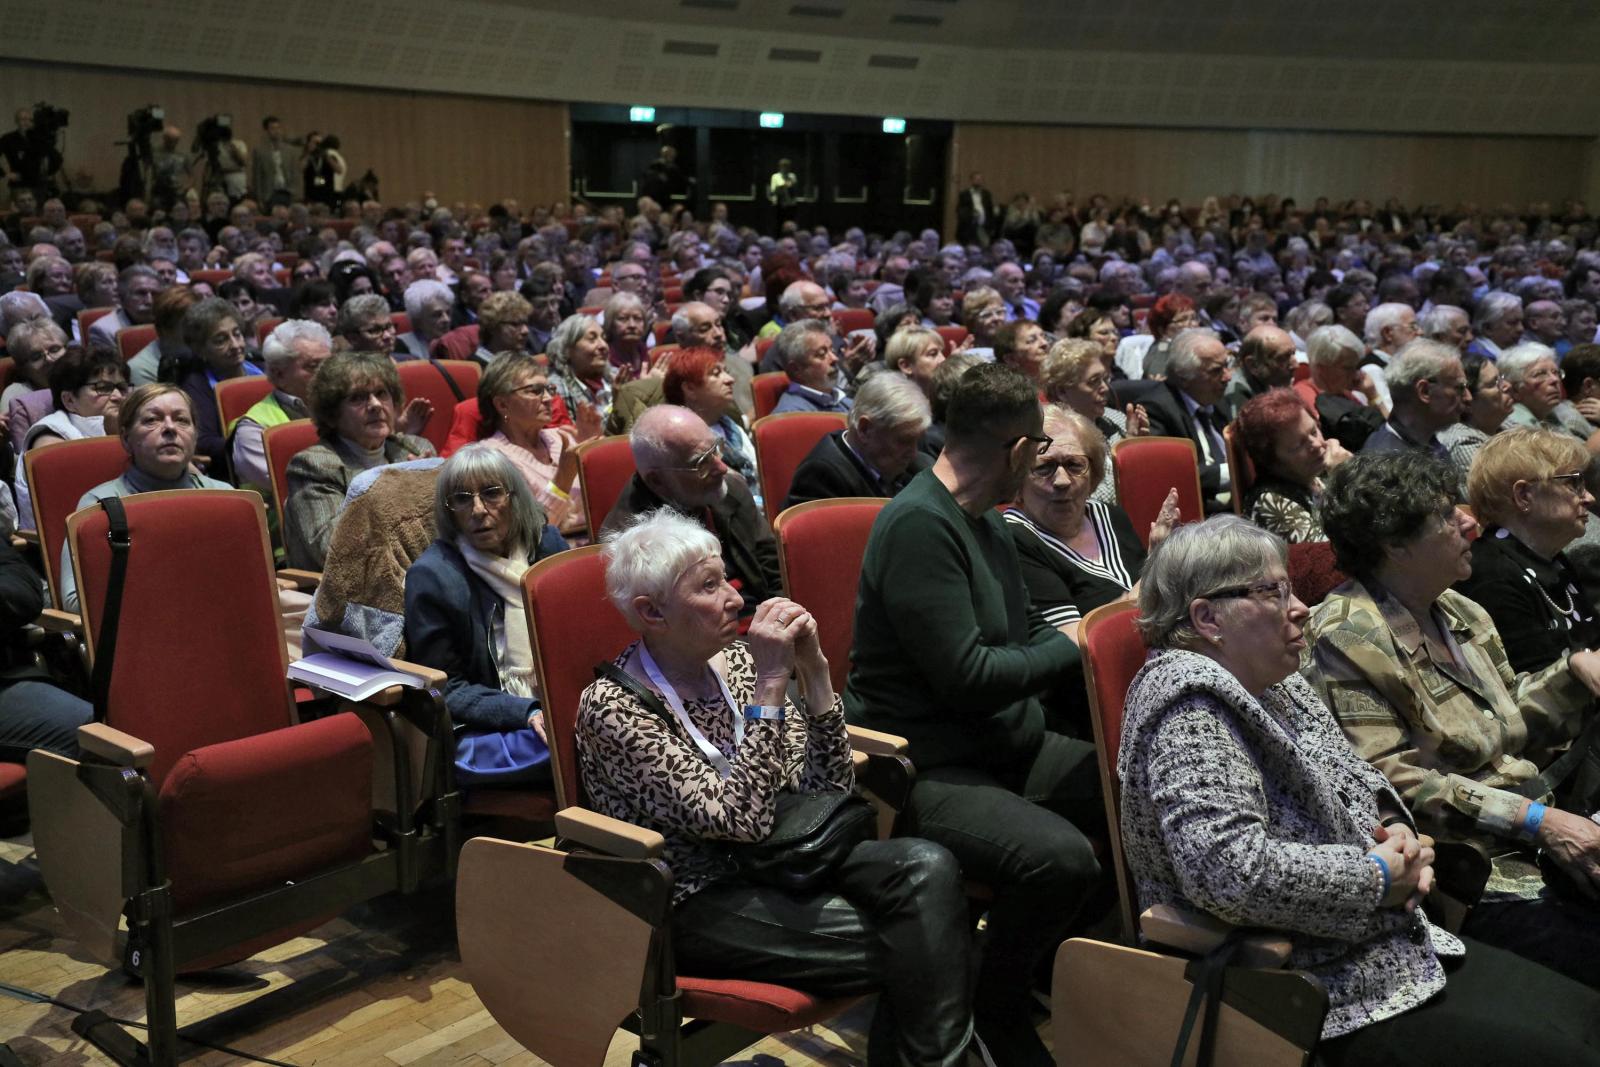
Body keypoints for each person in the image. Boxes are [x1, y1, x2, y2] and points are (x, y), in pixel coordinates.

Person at [1122, 514, 1600, 1064]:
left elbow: (1364, 775)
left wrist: (1397, 831)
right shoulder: (1189, 711)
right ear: (1208, 618)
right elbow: (1228, 872)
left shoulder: (1272, 678)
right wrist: (1375, 878)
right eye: (1274, 592)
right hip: (1306, 981)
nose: (1300, 606)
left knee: (1588, 1011)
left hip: (1381, 941)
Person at [579, 510, 976, 1067]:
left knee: (927, 865)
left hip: (786, 860)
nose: (735, 599)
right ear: (651, 612)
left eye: (727, 580)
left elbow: (827, 789)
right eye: (709, 586)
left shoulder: (736, 662)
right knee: (927, 945)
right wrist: (772, 683)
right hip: (696, 898)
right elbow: (738, 820)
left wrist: (812, 673)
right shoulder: (613, 709)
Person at [846, 362, 1104, 1067]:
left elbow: (1019, 638)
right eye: (1040, 452)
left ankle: (1065, 984)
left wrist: (1050, 646)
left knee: (1130, 789)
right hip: (924, 764)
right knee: (1059, 859)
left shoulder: (987, 522)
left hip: (1004, 743)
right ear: (1018, 451)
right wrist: (1072, 641)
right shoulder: (919, 526)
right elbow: (970, 677)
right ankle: (991, 998)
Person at [1308, 450, 1600, 988]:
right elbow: (1388, 784)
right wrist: (1537, 822)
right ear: (1394, 544)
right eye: (1445, 515)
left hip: (1539, 833)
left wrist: (1572, 673)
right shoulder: (1345, 636)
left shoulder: (1461, 610)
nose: (1468, 520)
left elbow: (1509, 724)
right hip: (1464, 871)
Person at [403, 445, 568, 787]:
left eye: (491, 493)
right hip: (490, 729)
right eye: (462, 499)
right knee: (578, 746)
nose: (478, 510)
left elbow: (579, 637)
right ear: (449, 511)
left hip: (561, 703)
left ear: (515, 497)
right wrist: (525, 711)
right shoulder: (434, 577)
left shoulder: (545, 545)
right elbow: (448, 688)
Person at [63, 384, 233, 613]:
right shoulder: (99, 507)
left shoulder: (225, 498)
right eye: (152, 420)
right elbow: (75, 601)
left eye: (182, 420)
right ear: (125, 439)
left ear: (195, 436)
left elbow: (253, 580)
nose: (170, 428)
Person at [601, 405, 781, 618]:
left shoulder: (729, 488)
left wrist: (782, 619)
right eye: (702, 463)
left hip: (763, 617)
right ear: (657, 481)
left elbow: (774, 568)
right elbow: (670, 632)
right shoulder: (629, 541)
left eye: (716, 449)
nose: (722, 467)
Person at [1456, 428, 1600, 675]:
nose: (1589, 497)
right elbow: (1538, 692)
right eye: (1573, 483)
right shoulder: (1491, 577)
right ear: (1523, 495)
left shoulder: (1551, 560)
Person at [283, 352, 435, 571]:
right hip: (354, 595)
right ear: (331, 413)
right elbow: (333, 551)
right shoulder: (313, 466)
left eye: (382, 393)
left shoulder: (416, 449)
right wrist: (399, 491)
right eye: (357, 398)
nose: (375, 405)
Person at [1119, 328, 1235, 511]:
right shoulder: (1155, 409)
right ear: (1183, 376)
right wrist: (1234, 471)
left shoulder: (1216, 397)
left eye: (1227, 365)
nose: (1228, 376)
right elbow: (1171, 474)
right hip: (1198, 515)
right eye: (1216, 371)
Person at [783, 372, 932, 510]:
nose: (913, 453)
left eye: (917, 440)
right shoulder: (820, 477)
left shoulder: (920, 466)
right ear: (865, 430)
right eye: (904, 441)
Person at [476, 352, 585, 533]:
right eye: (535, 391)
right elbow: (529, 532)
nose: (549, 399)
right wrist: (563, 478)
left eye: (549, 389)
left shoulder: (562, 437)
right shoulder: (492, 459)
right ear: (502, 405)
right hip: (550, 557)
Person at [1039, 337, 1149, 504]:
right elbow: (1090, 500)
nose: (1105, 388)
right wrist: (1128, 455)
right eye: (1094, 382)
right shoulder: (1052, 439)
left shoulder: (1118, 420)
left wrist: (1143, 448)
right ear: (1062, 391)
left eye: (1105, 379)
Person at [1235, 387, 1351, 542]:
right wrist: (1345, 479)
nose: (1317, 445)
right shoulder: (1269, 501)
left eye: (1314, 431)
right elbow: (1329, 553)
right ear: (1272, 461)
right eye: (1298, 445)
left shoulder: (1316, 474)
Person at [230, 319, 329, 494]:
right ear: (279, 374)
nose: (328, 373)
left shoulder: (345, 407)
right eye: (313, 366)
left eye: (329, 363)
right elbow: (297, 488)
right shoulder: (253, 429)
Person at [173, 297, 262, 477]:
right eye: (221, 340)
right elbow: (204, 442)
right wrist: (255, 443)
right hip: (233, 472)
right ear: (200, 350)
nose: (236, 345)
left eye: (237, 334)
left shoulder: (262, 368)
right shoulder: (195, 386)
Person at [662, 346, 757, 487]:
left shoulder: (732, 427)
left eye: (726, 372)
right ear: (690, 389)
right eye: (716, 373)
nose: (730, 379)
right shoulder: (682, 442)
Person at [1360, 339, 1467, 459]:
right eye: (1459, 387)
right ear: (1424, 391)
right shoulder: (1386, 463)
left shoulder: (1427, 443)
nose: (1468, 397)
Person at [1439, 350, 1514, 489]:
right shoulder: (1463, 442)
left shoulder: (1506, 424)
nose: (1507, 385)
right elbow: (1500, 496)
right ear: (1468, 401)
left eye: (1501, 378)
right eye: (1494, 383)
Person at [1501, 342, 1592, 442]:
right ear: (1515, 390)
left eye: (1555, 372)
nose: (1555, 380)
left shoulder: (1554, 413)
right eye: (1540, 374)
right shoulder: (1515, 426)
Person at [772, 320, 852, 415]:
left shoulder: (842, 399)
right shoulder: (792, 416)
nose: (835, 358)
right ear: (796, 369)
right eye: (822, 354)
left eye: (832, 350)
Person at [1221, 324, 1297, 416]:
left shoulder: (1265, 382)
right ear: (1253, 365)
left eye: (1293, 354)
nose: (1296, 365)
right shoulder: (1237, 391)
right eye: (1282, 358)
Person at [397, 279, 455, 361]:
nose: (446, 319)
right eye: (437, 315)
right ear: (417, 318)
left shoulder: (457, 341)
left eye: (448, 313)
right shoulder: (402, 345)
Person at [473, 291, 533, 365]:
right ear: (493, 327)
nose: (525, 331)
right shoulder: (474, 369)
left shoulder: (528, 360)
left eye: (525, 323)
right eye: (515, 324)